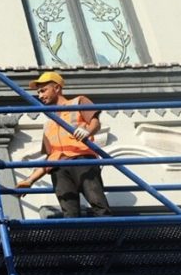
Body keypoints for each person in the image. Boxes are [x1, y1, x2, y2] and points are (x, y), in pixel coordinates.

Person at [14, 72, 111, 218]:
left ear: (57, 88)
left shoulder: (78, 102)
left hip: (82, 160)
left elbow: (95, 122)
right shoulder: (49, 124)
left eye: (43, 90)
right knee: (69, 212)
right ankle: (75, 239)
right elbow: (49, 157)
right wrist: (30, 180)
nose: (40, 96)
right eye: (38, 92)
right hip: (58, 168)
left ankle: (108, 233)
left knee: (97, 202)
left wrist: (87, 131)